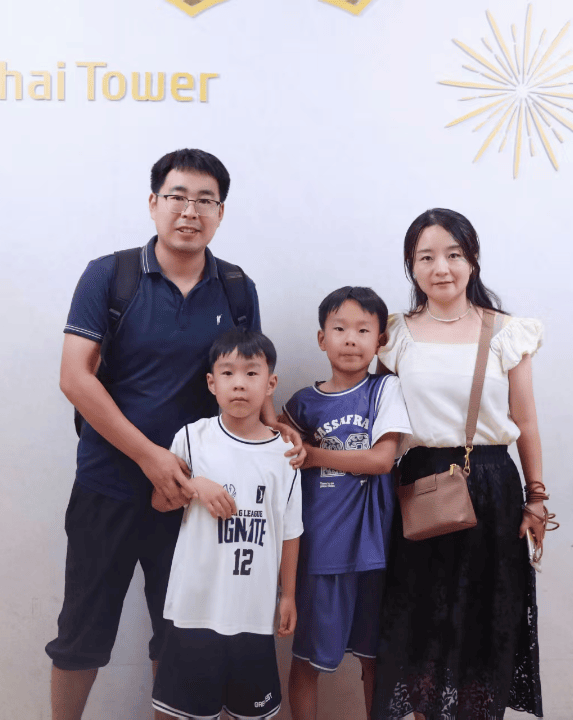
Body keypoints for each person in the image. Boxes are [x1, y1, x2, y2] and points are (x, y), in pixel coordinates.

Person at [48, 149, 301, 720]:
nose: (190, 211)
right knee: (82, 632)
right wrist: (150, 458)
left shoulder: (236, 289)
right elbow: (74, 377)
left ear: (221, 212)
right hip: (109, 483)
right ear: (153, 203)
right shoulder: (109, 275)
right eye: (178, 197)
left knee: (181, 636)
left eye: (205, 200)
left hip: (194, 496)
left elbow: (246, 371)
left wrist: (278, 427)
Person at [370, 209, 555, 720]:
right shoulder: (394, 335)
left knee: (483, 624)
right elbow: (375, 411)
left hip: (492, 487)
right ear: (411, 266)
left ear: (472, 259)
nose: (441, 268)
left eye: (453, 254)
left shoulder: (507, 333)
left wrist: (537, 498)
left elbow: (526, 422)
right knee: (422, 623)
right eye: (426, 257)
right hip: (420, 487)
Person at [150, 329, 302, 720]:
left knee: (250, 713)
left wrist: (288, 595)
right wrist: (194, 486)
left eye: (251, 373)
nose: (239, 383)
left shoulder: (286, 455)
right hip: (194, 609)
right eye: (228, 372)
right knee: (180, 713)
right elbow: (159, 502)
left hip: (253, 611)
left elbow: (291, 531)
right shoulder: (191, 438)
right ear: (211, 383)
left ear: (270, 384)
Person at [281, 287, 411, 720]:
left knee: (377, 662)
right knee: (307, 661)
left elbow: (381, 460)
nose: (351, 339)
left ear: (380, 341)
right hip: (321, 549)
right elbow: (276, 446)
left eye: (363, 330)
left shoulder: (385, 389)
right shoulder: (302, 403)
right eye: (339, 329)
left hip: (376, 551)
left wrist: (313, 455)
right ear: (322, 339)